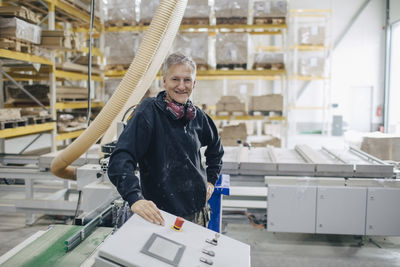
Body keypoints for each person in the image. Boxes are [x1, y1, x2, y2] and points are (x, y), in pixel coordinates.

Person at [107, 53, 224, 227]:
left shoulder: (197, 117)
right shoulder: (148, 112)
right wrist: (135, 198)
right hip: (159, 216)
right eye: (175, 79)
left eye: (187, 80)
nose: (181, 86)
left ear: (194, 83)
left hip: (197, 212)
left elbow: (216, 149)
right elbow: (121, 158)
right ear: (164, 82)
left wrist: (211, 181)